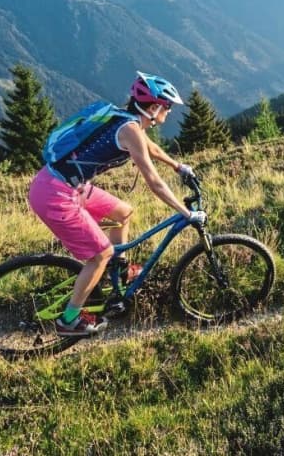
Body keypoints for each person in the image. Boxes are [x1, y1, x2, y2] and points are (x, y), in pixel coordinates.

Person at [27, 72, 205, 337]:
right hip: (55, 194)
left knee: (123, 213)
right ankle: (69, 319)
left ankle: (117, 271)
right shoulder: (130, 129)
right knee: (100, 254)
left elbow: (150, 149)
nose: (168, 113)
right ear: (154, 108)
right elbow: (154, 183)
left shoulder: (127, 119)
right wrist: (186, 213)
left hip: (63, 184)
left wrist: (178, 166)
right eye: (167, 107)